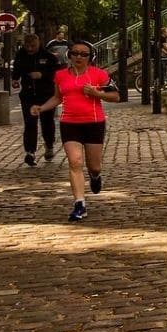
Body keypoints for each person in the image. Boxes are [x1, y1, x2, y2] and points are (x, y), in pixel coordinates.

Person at [29, 39, 117, 222]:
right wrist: (42, 108)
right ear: (69, 55)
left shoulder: (99, 74)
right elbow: (57, 98)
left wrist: (98, 94)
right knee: (75, 162)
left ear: (90, 57)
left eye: (83, 54)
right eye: (75, 53)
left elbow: (116, 96)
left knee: (94, 165)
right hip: (69, 123)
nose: (78, 57)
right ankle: (79, 204)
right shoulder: (60, 76)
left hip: (93, 123)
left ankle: (95, 176)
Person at [10, 33, 61, 166]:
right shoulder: (21, 55)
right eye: (27, 46)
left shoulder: (48, 57)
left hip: (45, 95)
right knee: (30, 123)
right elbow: (17, 69)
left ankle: (49, 145)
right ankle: (30, 152)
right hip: (28, 94)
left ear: (38, 43)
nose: (30, 49)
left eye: (33, 46)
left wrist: (42, 75)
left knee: (47, 122)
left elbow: (56, 73)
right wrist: (15, 79)